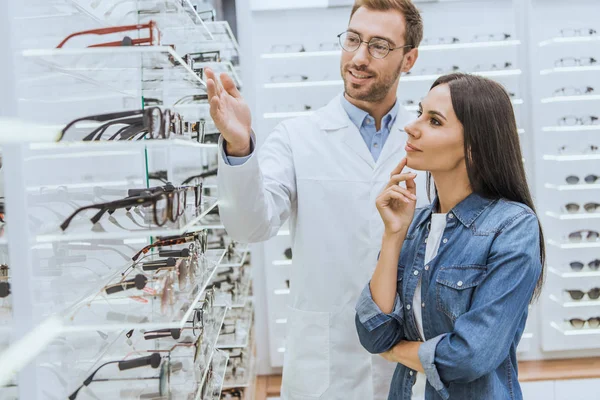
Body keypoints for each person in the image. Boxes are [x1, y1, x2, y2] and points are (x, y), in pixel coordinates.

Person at [204, 1, 424, 398]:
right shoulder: (297, 137)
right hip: (325, 365)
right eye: (353, 39)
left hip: (406, 360)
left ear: (408, 59)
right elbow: (249, 225)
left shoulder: (424, 143)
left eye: (378, 46)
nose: (358, 57)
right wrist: (238, 147)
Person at [355, 73, 546, 400]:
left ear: (473, 146)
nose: (411, 127)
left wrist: (397, 351)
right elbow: (374, 333)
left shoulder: (512, 226)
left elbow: (471, 355)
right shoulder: (414, 224)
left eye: (434, 121)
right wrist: (393, 235)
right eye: (419, 113)